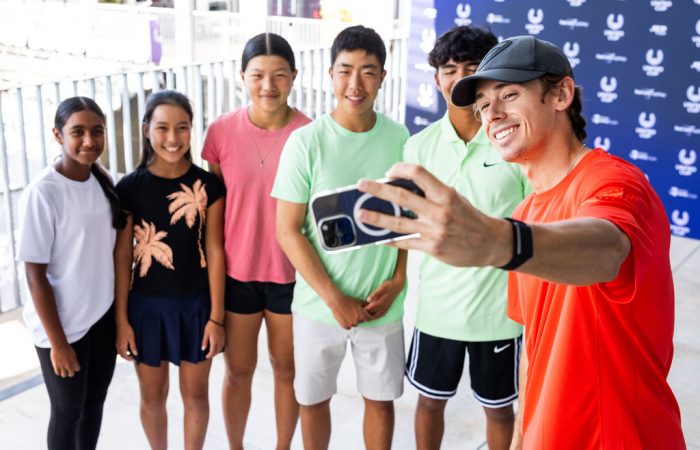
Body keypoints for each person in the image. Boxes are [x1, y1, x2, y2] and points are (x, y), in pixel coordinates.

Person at [357, 35, 686, 449]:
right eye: (482, 104)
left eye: (509, 95)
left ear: (561, 94)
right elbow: (535, 344)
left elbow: (608, 249)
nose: (491, 114)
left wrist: (499, 242)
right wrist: (521, 437)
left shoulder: (614, 182)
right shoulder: (527, 211)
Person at [272, 25, 409, 450]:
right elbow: (287, 230)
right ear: (330, 74)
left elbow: (408, 219)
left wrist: (400, 279)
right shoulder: (305, 142)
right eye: (345, 70)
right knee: (313, 401)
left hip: (380, 304)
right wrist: (334, 298)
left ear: (383, 77)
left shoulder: (401, 139)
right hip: (318, 306)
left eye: (368, 72)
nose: (355, 84)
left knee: (381, 401)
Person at [402, 26, 529, 450]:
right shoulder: (417, 147)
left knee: (498, 410)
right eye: (448, 69)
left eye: (472, 68)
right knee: (429, 404)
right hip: (437, 310)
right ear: (436, 78)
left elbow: (537, 228)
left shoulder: (516, 145)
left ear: (489, 78)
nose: (458, 78)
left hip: (499, 314)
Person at [201, 32, 311, 450]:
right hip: (236, 274)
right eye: (258, 75)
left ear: (294, 77)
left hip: (290, 275)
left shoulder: (309, 133)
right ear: (242, 77)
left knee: (287, 372)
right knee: (238, 372)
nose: (269, 85)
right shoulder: (220, 132)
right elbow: (214, 206)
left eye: (279, 75)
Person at [114, 90, 226, 450]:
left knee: (196, 397)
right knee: (152, 397)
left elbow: (215, 250)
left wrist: (217, 318)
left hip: (195, 307)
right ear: (147, 130)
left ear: (192, 130)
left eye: (182, 127)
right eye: (162, 128)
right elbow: (122, 257)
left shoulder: (209, 186)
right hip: (144, 308)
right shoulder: (129, 188)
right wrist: (122, 322)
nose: (173, 138)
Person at [17, 96, 124, 450]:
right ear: (58, 135)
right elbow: (35, 275)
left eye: (97, 131)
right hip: (62, 327)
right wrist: (58, 344)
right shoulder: (43, 193)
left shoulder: (102, 178)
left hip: (101, 318)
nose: (89, 141)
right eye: (78, 132)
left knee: (93, 404)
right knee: (67, 412)